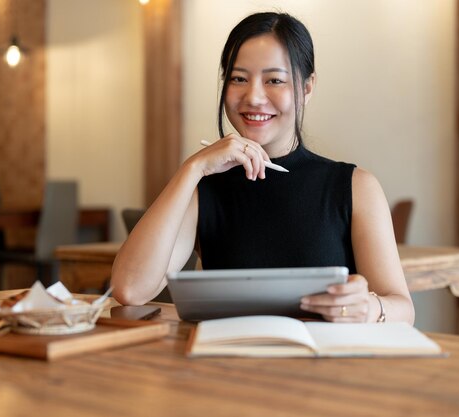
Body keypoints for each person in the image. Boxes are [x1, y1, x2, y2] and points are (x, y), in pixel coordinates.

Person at [111, 12, 414, 324]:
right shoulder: (205, 187)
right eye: (238, 78)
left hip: (323, 366)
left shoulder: (354, 186)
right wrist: (193, 168)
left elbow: (402, 308)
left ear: (307, 88)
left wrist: (370, 308)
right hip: (226, 366)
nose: (253, 97)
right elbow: (130, 289)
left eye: (274, 80)